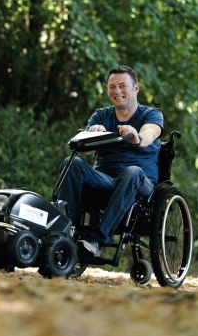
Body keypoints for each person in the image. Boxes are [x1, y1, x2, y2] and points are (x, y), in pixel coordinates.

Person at [58, 65, 163, 257]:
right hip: (105, 181)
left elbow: (148, 135)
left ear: (136, 88)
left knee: (132, 171)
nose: (117, 91)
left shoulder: (151, 114)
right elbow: (84, 152)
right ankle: (63, 233)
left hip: (140, 183)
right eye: (112, 87)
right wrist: (91, 134)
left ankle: (98, 239)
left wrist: (135, 136)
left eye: (122, 86)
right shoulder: (101, 115)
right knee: (70, 162)